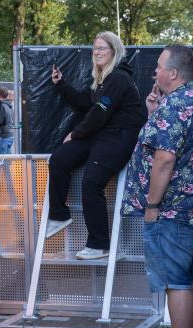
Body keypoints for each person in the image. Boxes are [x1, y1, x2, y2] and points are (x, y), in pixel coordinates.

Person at [121, 44, 193, 328]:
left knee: (176, 282)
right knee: (192, 277)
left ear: (173, 73)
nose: (154, 72)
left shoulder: (176, 104)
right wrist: (152, 113)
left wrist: (151, 205)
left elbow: (164, 159)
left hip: (173, 209)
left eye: (159, 67)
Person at [46, 31, 144, 260]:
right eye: (95, 48)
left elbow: (99, 113)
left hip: (120, 136)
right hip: (101, 134)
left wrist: (76, 133)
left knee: (92, 180)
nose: (97, 52)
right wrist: (61, 85)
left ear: (114, 51)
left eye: (102, 48)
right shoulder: (103, 79)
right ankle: (59, 215)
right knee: (59, 158)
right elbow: (85, 104)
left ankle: (99, 244)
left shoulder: (119, 78)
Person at [0, 85, 14, 154]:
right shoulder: (9, 105)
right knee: (6, 161)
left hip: (4, 136)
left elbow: (0, 121)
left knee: (0, 161)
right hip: (9, 135)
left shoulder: (1, 106)